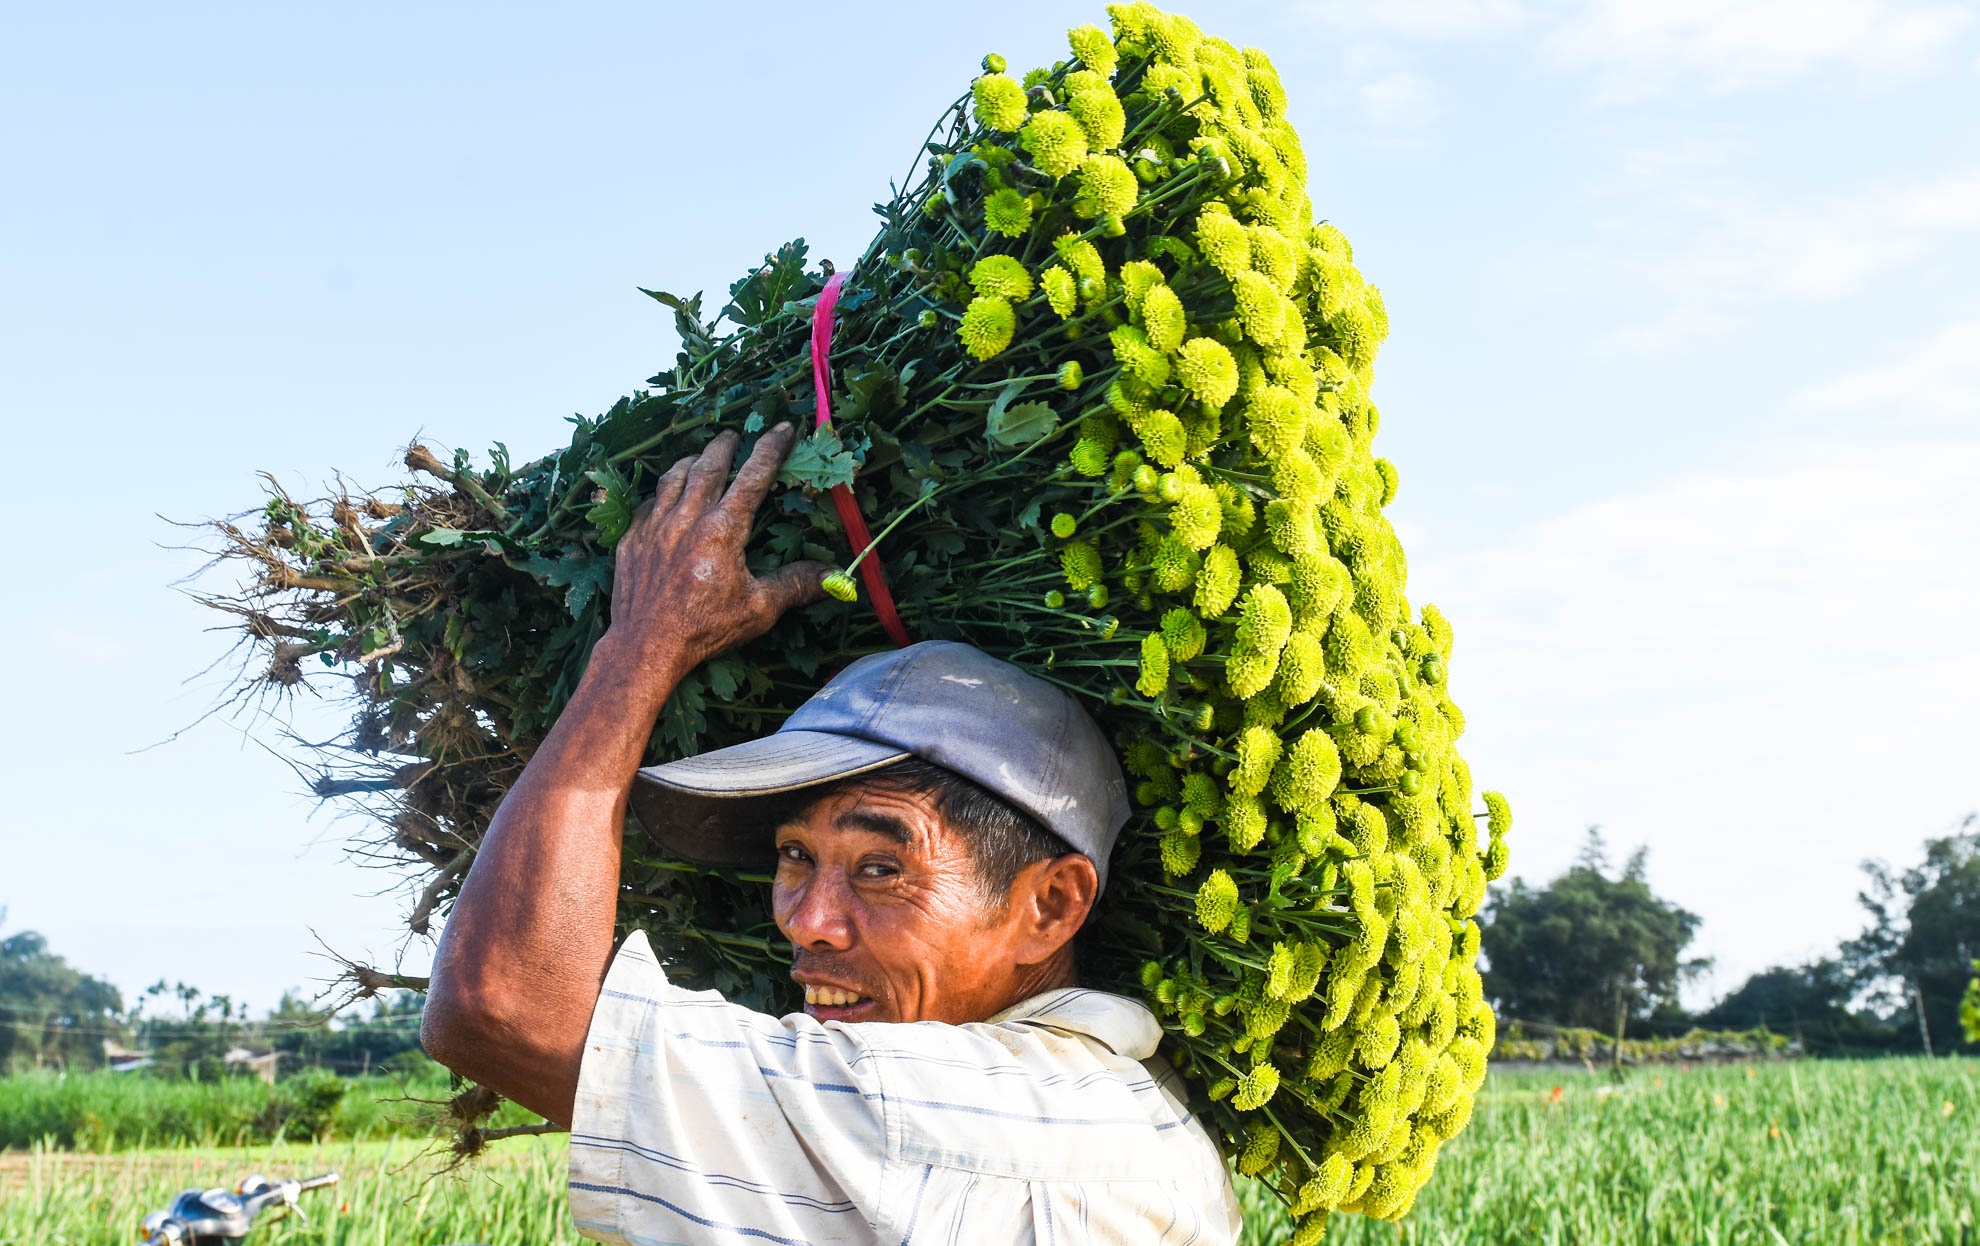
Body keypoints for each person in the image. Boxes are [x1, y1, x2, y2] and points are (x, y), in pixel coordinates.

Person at [422, 424, 1242, 1244]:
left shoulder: (970, 1118)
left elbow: (503, 1007)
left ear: (1049, 907)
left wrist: (644, 643)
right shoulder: (1123, 1107)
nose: (806, 920)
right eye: (794, 857)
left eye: (882, 867)